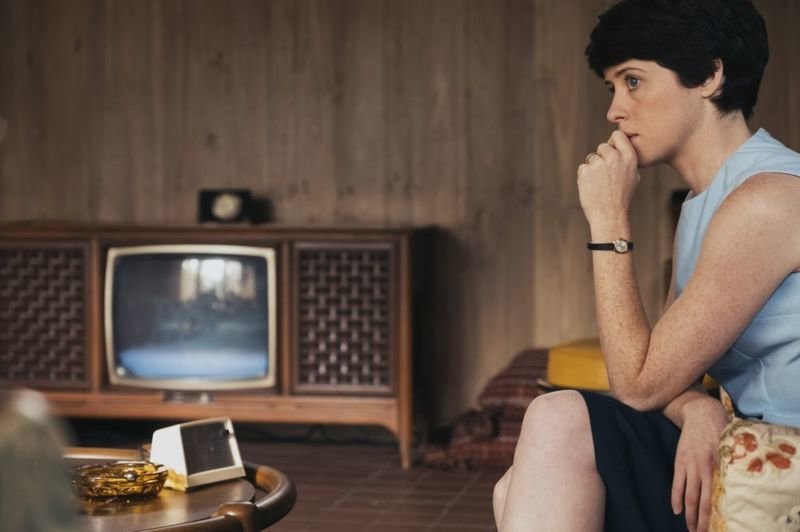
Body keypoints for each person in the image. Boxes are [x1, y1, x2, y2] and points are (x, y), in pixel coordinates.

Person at [493, 1, 800, 531]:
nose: (615, 110)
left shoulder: (767, 200)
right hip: (750, 441)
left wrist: (609, 219)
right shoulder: (706, 203)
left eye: (633, 81)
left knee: (558, 421)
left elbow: (638, 384)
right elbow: (664, 370)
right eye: (612, 87)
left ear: (710, 75)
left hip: (783, 460)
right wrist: (698, 408)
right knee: (519, 483)